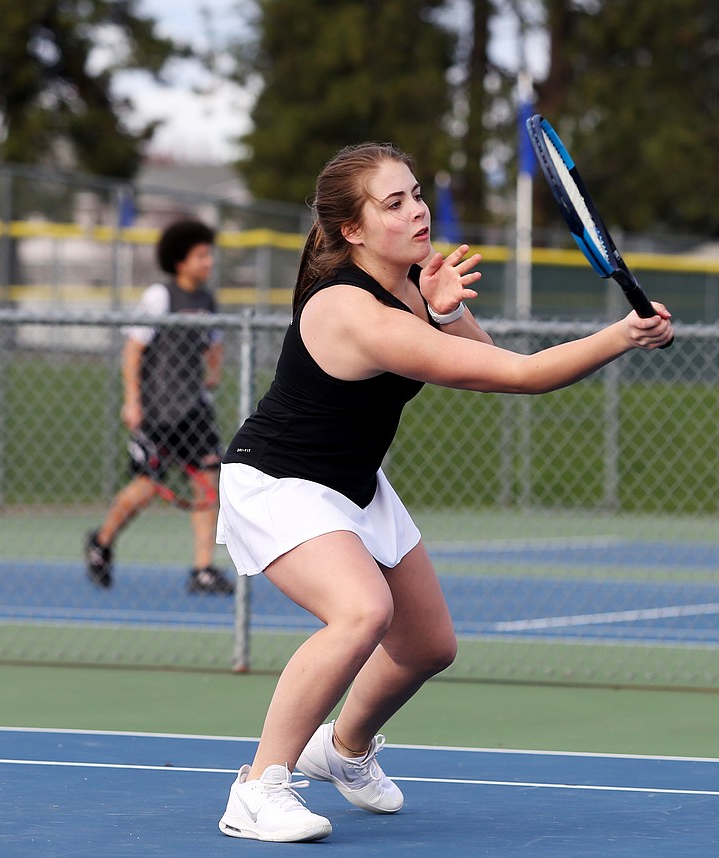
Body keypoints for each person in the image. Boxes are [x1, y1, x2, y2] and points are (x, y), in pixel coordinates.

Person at [214, 142, 673, 843]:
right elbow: (520, 376)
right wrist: (622, 335)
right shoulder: (349, 309)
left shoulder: (411, 289)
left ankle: (342, 750)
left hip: (353, 485)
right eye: (393, 202)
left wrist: (445, 311)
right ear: (353, 231)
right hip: (279, 481)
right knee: (361, 612)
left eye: (417, 194)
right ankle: (257, 786)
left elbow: (486, 360)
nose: (417, 210)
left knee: (429, 644)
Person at [85, 219, 234, 595]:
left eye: (209, 254)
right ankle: (101, 543)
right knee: (148, 487)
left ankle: (202, 569)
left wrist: (212, 373)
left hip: (194, 412)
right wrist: (132, 401)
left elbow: (214, 342)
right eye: (201, 255)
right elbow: (134, 350)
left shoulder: (208, 300)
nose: (209, 261)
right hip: (158, 413)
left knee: (207, 484)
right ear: (180, 261)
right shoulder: (159, 297)